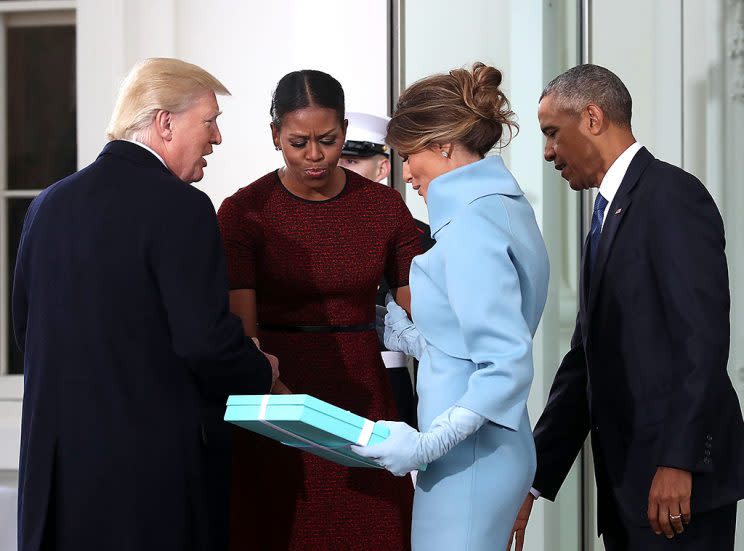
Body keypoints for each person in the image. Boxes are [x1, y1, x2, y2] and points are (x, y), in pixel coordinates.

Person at [11, 57, 278, 551]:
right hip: (147, 484)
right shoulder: (182, 207)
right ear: (164, 122)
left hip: (60, 480)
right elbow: (204, 343)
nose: (217, 138)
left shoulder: (46, 205)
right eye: (210, 121)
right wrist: (260, 370)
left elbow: (27, 332)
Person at [509, 64, 744, 551]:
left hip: (676, 490)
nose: (548, 151)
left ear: (592, 118)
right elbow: (584, 363)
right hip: (628, 491)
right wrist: (533, 477)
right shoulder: (605, 215)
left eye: (552, 133)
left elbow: (701, 342)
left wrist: (679, 462)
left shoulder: (672, 197)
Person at [352, 62, 550, 550]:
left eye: (407, 155)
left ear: (442, 146)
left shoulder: (470, 226)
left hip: (470, 458)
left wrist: (424, 446)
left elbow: (505, 365)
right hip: (484, 450)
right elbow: (471, 346)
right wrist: (406, 335)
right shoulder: (498, 206)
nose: (405, 172)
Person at [217, 69, 418, 550]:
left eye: (327, 140)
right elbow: (244, 336)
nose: (314, 156)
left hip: (364, 395)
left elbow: (422, 315)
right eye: (298, 142)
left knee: (376, 531)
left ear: (345, 132)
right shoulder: (245, 212)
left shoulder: (384, 208)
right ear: (274, 136)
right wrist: (287, 409)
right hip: (277, 396)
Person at [340, 111, 434, 428]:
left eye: (351, 161)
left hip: (389, 381)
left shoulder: (420, 239)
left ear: (383, 167)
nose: (339, 169)